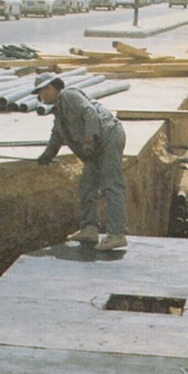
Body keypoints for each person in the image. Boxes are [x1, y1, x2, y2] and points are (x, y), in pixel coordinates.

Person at [35, 75, 127, 250]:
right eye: (40, 92)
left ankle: (117, 234)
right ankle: (90, 228)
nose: (43, 94)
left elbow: (89, 112)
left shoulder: (68, 95)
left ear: (56, 87)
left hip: (108, 137)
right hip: (96, 145)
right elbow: (57, 136)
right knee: (87, 185)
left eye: (46, 89)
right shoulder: (59, 112)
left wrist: (89, 140)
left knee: (111, 185)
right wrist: (47, 155)